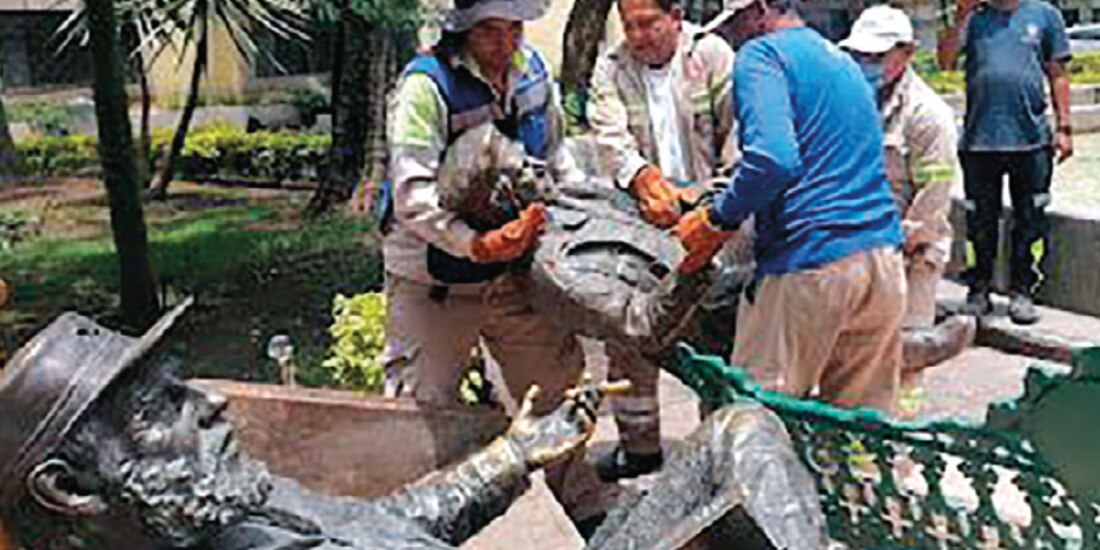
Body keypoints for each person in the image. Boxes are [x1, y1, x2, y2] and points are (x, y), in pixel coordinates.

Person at [0, 305, 825, 549]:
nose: (210, 405)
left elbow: (390, 523)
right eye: (160, 410)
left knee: (735, 435)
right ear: (70, 490)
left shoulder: (235, 514)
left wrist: (511, 457)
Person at [379, 0, 601, 525]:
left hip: (512, 271)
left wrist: (567, 220)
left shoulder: (533, 72)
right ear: (463, 31)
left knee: (555, 389)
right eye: (490, 33)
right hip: (433, 278)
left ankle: (588, 510)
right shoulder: (424, 87)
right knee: (424, 410)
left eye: (515, 30)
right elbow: (413, 198)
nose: (505, 46)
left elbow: (558, 156)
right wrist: (475, 244)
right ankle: (412, 526)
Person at [676, 0, 907, 410]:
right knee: (860, 431)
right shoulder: (840, 60)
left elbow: (772, 160)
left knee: (753, 420)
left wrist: (716, 219)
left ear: (762, 9)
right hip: (881, 260)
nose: (731, 35)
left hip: (811, 263)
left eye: (736, 22)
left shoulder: (762, 54)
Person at [586, 0, 739, 481]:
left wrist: (709, 207)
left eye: (648, 22)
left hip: (714, 224)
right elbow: (610, 138)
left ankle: (717, 457)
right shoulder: (610, 68)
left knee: (718, 342)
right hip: (641, 227)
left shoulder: (712, 56)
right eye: (628, 24)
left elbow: (738, 138)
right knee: (630, 340)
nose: (637, 34)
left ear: (676, 17)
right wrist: (641, 178)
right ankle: (640, 452)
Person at [839, 6, 976, 378]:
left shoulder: (928, 115)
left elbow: (931, 203)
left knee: (904, 359)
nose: (865, 63)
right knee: (854, 357)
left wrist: (889, 245)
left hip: (911, 254)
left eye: (876, 57)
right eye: (858, 56)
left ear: (907, 53)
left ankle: (903, 427)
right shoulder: (849, 100)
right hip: (856, 250)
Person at [959, 0, 1073, 325]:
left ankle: (1023, 291)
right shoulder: (974, 18)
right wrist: (960, 16)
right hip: (979, 140)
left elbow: (1058, 74)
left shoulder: (1045, 14)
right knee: (979, 222)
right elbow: (946, 60)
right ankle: (978, 289)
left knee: (1030, 220)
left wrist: (1064, 128)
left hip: (1031, 140)